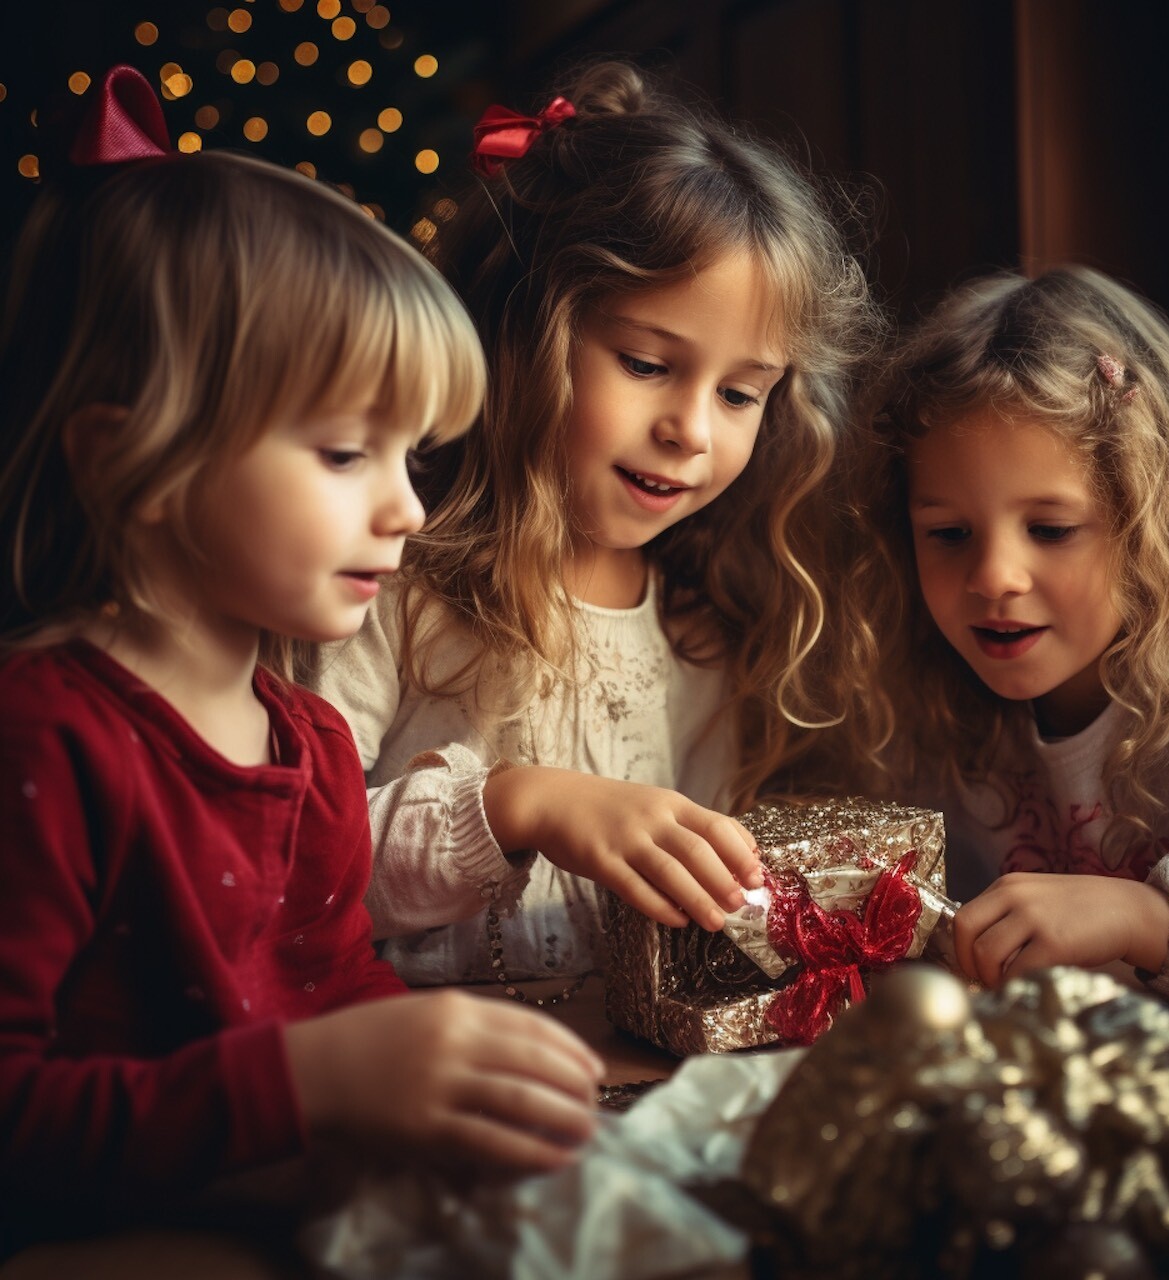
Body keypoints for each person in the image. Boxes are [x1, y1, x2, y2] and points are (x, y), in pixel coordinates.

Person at [0, 66, 604, 1272]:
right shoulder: (44, 739)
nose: (405, 510)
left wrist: (441, 1074)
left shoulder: (309, 742)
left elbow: (329, 978)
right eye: (343, 452)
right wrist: (307, 1078)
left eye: (410, 456)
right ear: (136, 460)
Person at [310, 58, 878, 991]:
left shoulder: (698, 639)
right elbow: (289, 865)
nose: (690, 430)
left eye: (740, 393)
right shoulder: (388, 589)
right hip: (408, 1079)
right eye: (648, 365)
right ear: (523, 331)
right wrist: (515, 806)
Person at [843, 263, 1169, 1029]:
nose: (993, 578)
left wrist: (1147, 921)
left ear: (1155, 523)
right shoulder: (911, 694)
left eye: (1051, 530)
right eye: (947, 534)